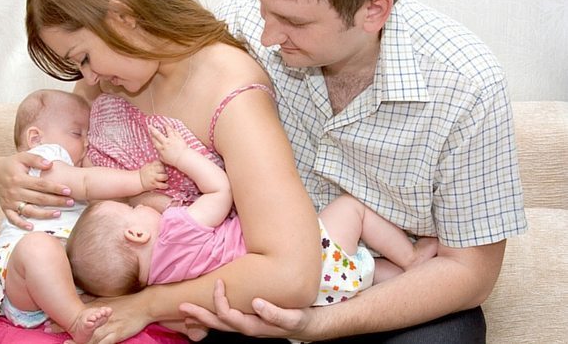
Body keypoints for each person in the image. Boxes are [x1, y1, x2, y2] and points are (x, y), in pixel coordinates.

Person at [0, 0, 322, 344]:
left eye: (83, 57)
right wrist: (10, 168)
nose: (88, 77)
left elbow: (291, 275)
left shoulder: (231, 93)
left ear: (122, 17)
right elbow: (62, 161)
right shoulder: (104, 84)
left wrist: (146, 305)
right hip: (61, 290)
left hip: (146, 311)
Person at [177, 0, 527, 343]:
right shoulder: (239, 28)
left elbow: (469, 272)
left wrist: (317, 323)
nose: (266, 35)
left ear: (373, 11)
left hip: (382, 287)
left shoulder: (467, 85)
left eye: (293, 22)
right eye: (264, 8)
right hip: (260, 266)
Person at [67, 124, 437, 307]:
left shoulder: (163, 285)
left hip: (313, 301)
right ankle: (412, 257)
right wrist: (180, 157)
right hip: (310, 262)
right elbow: (220, 190)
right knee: (351, 209)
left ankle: (402, 276)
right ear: (136, 236)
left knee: (366, 275)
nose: (141, 207)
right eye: (131, 211)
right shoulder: (177, 230)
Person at [0, 88, 169, 343]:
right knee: (37, 247)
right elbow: (85, 183)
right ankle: (75, 320)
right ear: (35, 137)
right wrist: (137, 179)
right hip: (23, 281)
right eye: (77, 133)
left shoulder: (74, 162)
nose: (86, 143)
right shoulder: (40, 160)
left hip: (67, 281)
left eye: (88, 135)